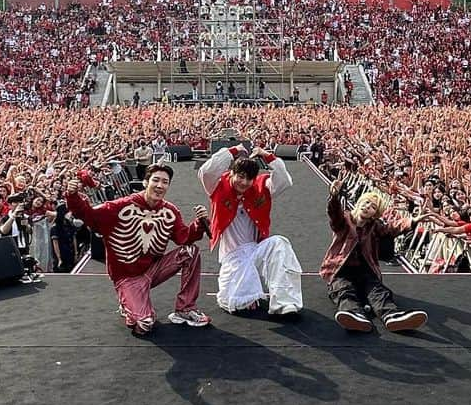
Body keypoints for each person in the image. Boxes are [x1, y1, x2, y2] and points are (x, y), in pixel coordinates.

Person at [65, 163, 210, 336]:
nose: (160, 186)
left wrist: (199, 223)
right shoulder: (120, 206)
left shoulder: (170, 211)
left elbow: (183, 238)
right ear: (145, 182)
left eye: (165, 182)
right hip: (127, 277)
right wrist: (72, 196)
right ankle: (128, 304)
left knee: (190, 252)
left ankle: (186, 308)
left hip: (153, 270)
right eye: (155, 180)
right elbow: (89, 215)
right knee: (145, 325)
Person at [198, 141, 302, 316]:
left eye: (249, 178)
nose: (244, 182)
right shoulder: (217, 186)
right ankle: (246, 291)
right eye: (240, 176)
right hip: (233, 256)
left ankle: (285, 303)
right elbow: (207, 171)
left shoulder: (262, 187)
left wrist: (266, 155)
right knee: (235, 302)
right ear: (231, 173)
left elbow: (285, 180)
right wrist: (233, 151)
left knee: (279, 243)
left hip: (255, 249)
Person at [319, 176, 428, 333]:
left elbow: (393, 227)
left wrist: (412, 221)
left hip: (365, 271)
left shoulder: (374, 226)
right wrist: (334, 196)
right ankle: (354, 316)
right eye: (366, 202)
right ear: (359, 202)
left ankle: (393, 316)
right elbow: (333, 213)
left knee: (378, 292)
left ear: (374, 214)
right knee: (344, 291)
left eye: (372, 207)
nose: (367, 206)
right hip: (340, 270)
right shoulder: (343, 221)